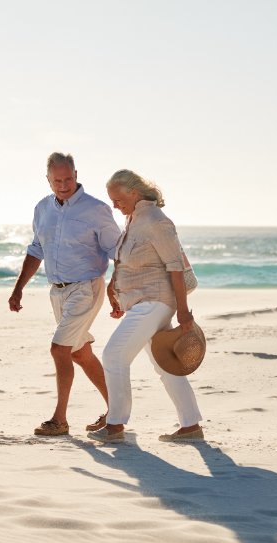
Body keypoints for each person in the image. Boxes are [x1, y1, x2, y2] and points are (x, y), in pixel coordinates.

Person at [9, 152, 122, 436]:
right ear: (47, 179)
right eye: (57, 180)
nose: (63, 185)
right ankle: (116, 412)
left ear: (76, 174)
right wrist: (18, 289)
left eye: (68, 179)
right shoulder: (42, 209)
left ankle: (59, 420)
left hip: (86, 287)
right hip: (57, 291)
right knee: (80, 353)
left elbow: (116, 251)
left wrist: (116, 288)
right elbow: (36, 250)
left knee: (59, 349)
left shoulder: (95, 209)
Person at [87, 169, 203, 444]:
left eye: (117, 199)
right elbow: (127, 263)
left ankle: (115, 425)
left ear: (134, 193)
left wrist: (184, 312)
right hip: (140, 303)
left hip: (155, 302)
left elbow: (175, 267)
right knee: (165, 362)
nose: (114, 205)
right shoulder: (133, 220)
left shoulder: (155, 221)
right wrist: (116, 292)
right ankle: (191, 426)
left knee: (114, 355)